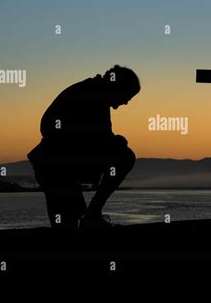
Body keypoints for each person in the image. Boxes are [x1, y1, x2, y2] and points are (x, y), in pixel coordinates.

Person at [27, 65, 140, 228]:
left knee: (68, 223)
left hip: (58, 166)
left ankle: (91, 216)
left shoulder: (94, 94)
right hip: (56, 168)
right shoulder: (91, 95)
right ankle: (92, 216)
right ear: (118, 88)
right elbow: (49, 126)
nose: (125, 102)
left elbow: (102, 137)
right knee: (125, 157)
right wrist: (117, 142)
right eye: (127, 96)